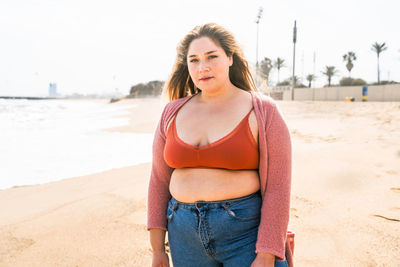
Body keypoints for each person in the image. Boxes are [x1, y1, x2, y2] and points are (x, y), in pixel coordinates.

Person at [147, 23, 292, 267]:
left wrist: (267, 253)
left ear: (230, 58)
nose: (202, 67)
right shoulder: (172, 112)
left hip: (244, 234)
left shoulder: (263, 111)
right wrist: (157, 249)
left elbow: (279, 186)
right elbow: (158, 181)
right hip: (183, 236)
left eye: (211, 56)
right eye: (193, 60)